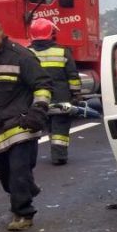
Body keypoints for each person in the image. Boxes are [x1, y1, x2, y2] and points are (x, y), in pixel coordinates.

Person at [0, 19, 52, 231]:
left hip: (21, 124)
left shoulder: (21, 56)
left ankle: (23, 213)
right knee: (3, 172)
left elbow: (43, 85)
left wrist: (37, 111)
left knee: (18, 169)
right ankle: (27, 188)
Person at [28, 18, 80, 165]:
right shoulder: (62, 51)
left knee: (43, 125)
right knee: (60, 126)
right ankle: (59, 156)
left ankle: (28, 159)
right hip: (60, 97)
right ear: (51, 33)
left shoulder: (26, 52)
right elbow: (72, 76)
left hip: (36, 99)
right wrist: (76, 94)